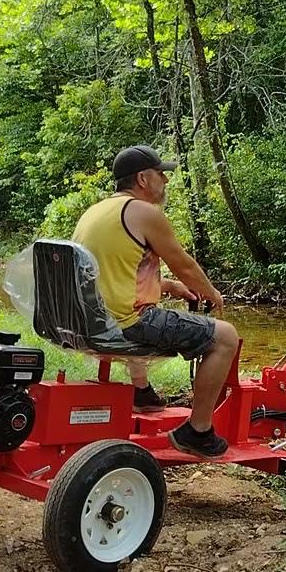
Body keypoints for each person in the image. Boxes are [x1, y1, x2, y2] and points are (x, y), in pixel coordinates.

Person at [72, 145, 238, 458]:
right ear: (143, 179)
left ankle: (141, 392)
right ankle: (198, 430)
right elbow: (184, 263)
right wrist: (211, 293)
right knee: (225, 337)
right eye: (161, 173)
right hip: (127, 324)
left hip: (90, 320)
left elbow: (114, 276)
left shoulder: (98, 211)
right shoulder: (144, 212)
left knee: (154, 312)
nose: (165, 180)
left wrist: (171, 287)